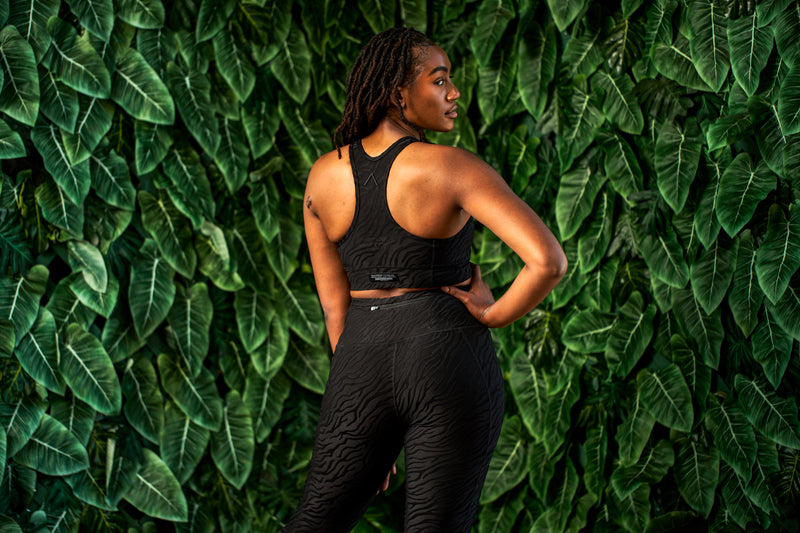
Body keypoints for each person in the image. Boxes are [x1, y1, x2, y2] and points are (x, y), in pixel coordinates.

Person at [284, 27, 567, 532]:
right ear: (398, 93)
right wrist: (491, 313)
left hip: (360, 359)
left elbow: (334, 308)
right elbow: (547, 261)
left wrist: (366, 421)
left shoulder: (322, 176)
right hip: (446, 356)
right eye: (439, 81)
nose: (454, 92)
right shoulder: (452, 167)